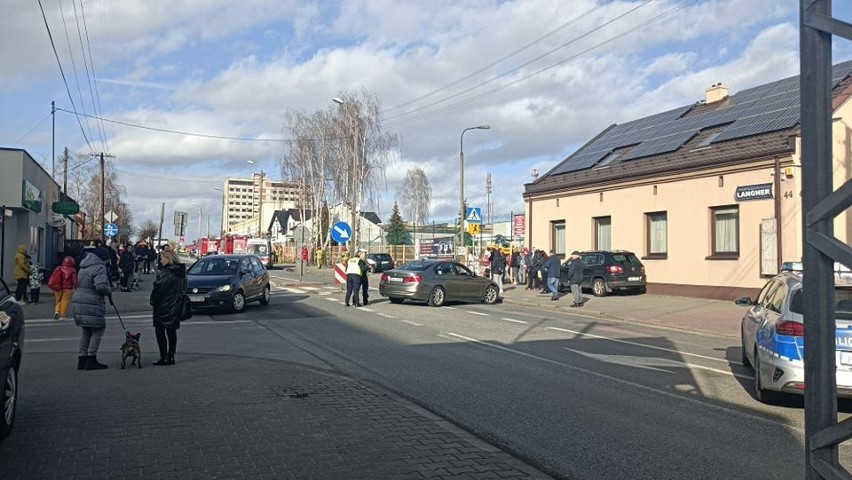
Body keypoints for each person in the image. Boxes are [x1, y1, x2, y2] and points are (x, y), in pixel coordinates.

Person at [72, 247, 113, 370]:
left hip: (79, 298)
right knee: (97, 330)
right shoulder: (99, 267)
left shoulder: (84, 266)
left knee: (86, 331)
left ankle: (82, 358)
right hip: (92, 300)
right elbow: (100, 286)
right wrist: (108, 290)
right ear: (103, 259)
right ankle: (91, 358)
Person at [150, 249, 186, 366]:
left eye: (162, 258)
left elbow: (159, 289)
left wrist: (153, 300)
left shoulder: (166, 272)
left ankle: (163, 357)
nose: (160, 260)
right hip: (175, 305)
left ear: (168, 258)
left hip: (163, 306)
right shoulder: (180, 272)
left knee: (160, 332)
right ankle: (171, 356)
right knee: (171, 332)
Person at [49, 256, 78, 320]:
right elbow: (74, 280)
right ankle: (62, 315)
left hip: (58, 287)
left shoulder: (59, 268)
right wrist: (76, 287)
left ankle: (57, 311)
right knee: (65, 301)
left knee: (58, 300)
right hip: (68, 288)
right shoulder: (73, 270)